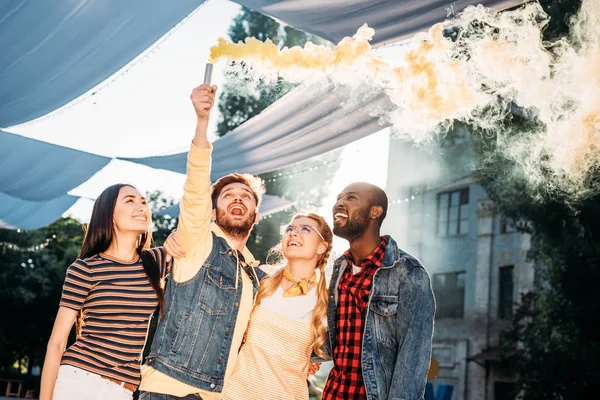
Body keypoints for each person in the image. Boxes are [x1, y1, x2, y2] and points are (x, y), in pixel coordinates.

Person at [138, 83, 266, 400]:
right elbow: (195, 188)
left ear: (256, 215)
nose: (237, 199)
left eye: (246, 197)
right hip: (169, 391)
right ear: (212, 212)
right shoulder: (198, 242)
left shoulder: (255, 276)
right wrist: (202, 122)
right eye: (228, 196)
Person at [40, 184, 170, 400]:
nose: (141, 207)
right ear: (109, 215)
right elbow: (57, 342)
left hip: (122, 390)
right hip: (78, 380)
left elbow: (195, 231)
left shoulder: (155, 262)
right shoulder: (85, 269)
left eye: (144, 202)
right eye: (130, 201)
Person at [322, 182, 436, 400]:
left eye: (351, 198)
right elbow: (334, 342)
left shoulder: (408, 273)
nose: (339, 203)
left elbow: (413, 359)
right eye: (338, 198)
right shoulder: (339, 269)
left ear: (375, 211)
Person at [221, 213, 333, 400]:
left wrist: (313, 360)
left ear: (322, 246)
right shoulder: (260, 277)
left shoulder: (327, 301)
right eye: (289, 228)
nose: (293, 233)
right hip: (233, 393)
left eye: (305, 229)